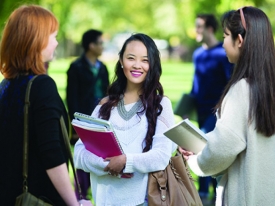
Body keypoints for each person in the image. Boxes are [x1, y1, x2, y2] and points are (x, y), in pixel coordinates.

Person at [182, 6, 275, 206]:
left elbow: (223, 148)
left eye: (225, 36)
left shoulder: (242, 89)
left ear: (239, 41)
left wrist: (195, 160)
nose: (223, 43)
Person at [0, 5, 92, 206]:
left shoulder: (6, 85)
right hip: (38, 198)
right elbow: (52, 157)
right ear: (36, 40)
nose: (57, 42)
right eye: (53, 36)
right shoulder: (42, 86)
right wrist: (74, 203)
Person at [74, 33, 177, 206]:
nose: (137, 65)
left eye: (145, 60)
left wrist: (126, 162)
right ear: (121, 61)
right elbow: (79, 153)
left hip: (143, 201)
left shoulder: (161, 105)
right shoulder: (105, 105)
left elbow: (161, 155)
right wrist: (107, 165)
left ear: (152, 64)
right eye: (131, 58)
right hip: (104, 201)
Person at [188, 13, 233, 203]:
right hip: (199, 108)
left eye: (199, 26)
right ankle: (203, 191)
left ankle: (215, 192)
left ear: (210, 29)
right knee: (199, 144)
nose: (196, 30)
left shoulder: (222, 53)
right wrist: (188, 105)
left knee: (206, 143)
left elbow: (230, 82)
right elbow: (195, 82)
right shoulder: (197, 54)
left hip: (216, 111)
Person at [66, 29, 110, 199]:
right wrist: (75, 124)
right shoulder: (75, 67)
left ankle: (98, 191)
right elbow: (71, 98)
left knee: (101, 155)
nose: (102, 46)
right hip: (83, 119)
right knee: (83, 156)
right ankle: (81, 196)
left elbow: (108, 93)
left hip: (101, 118)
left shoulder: (103, 67)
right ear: (91, 45)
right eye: (100, 43)